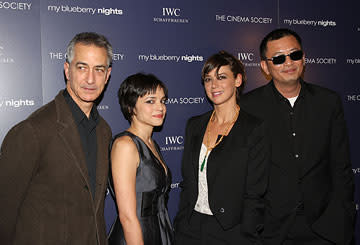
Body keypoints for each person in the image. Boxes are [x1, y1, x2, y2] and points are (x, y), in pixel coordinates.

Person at [241, 28, 356, 245]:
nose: (288, 62)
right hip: (272, 231)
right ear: (265, 66)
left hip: (326, 228)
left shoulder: (328, 102)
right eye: (278, 58)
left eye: (294, 55)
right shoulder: (248, 107)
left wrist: (343, 216)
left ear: (304, 58)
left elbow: (341, 166)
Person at [0, 32, 113, 245]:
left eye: (98, 70)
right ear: (67, 70)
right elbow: (4, 215)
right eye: (82, 67)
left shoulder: (104, 131)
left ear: (107, 75)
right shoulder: (33, 131)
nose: (90, 79)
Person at [174, 51, 268, 245]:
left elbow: (255, 193)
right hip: (190, 228)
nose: (213, 85)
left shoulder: (254, 128)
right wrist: (182, 222)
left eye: (221, 77)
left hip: (232, 231)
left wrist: (246, 235)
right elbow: (188, 182)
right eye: (208, 79)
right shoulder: (195, 125)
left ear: (238, 80)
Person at [108, 73, 174, 245]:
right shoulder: (125, 145)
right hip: (135, 237)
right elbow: (128, 216)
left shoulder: (152, 144)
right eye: (150, 101)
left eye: (163, 101)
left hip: (160, 231)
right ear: (131, 107)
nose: (160, 107)